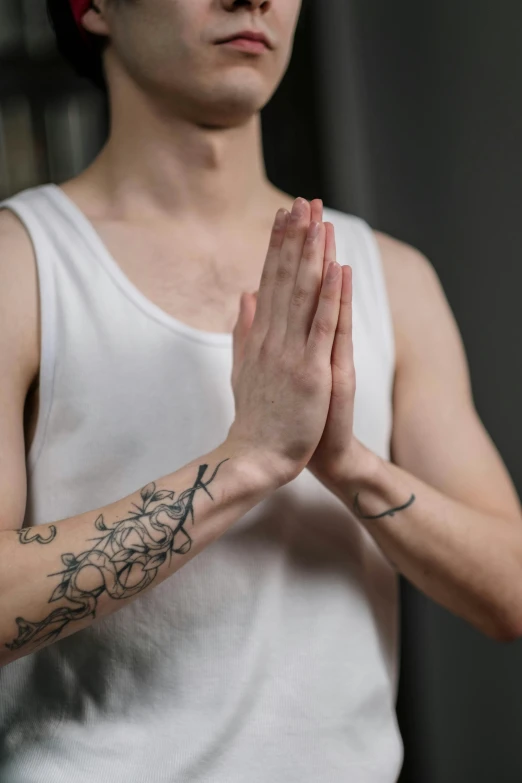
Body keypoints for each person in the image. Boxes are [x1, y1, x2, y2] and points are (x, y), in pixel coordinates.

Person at [0, 1, 521, 781]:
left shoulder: (394, 279)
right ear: (93, 6)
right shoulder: (22, 267)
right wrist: (245, 463)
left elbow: (510, 590)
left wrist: (349, 463)